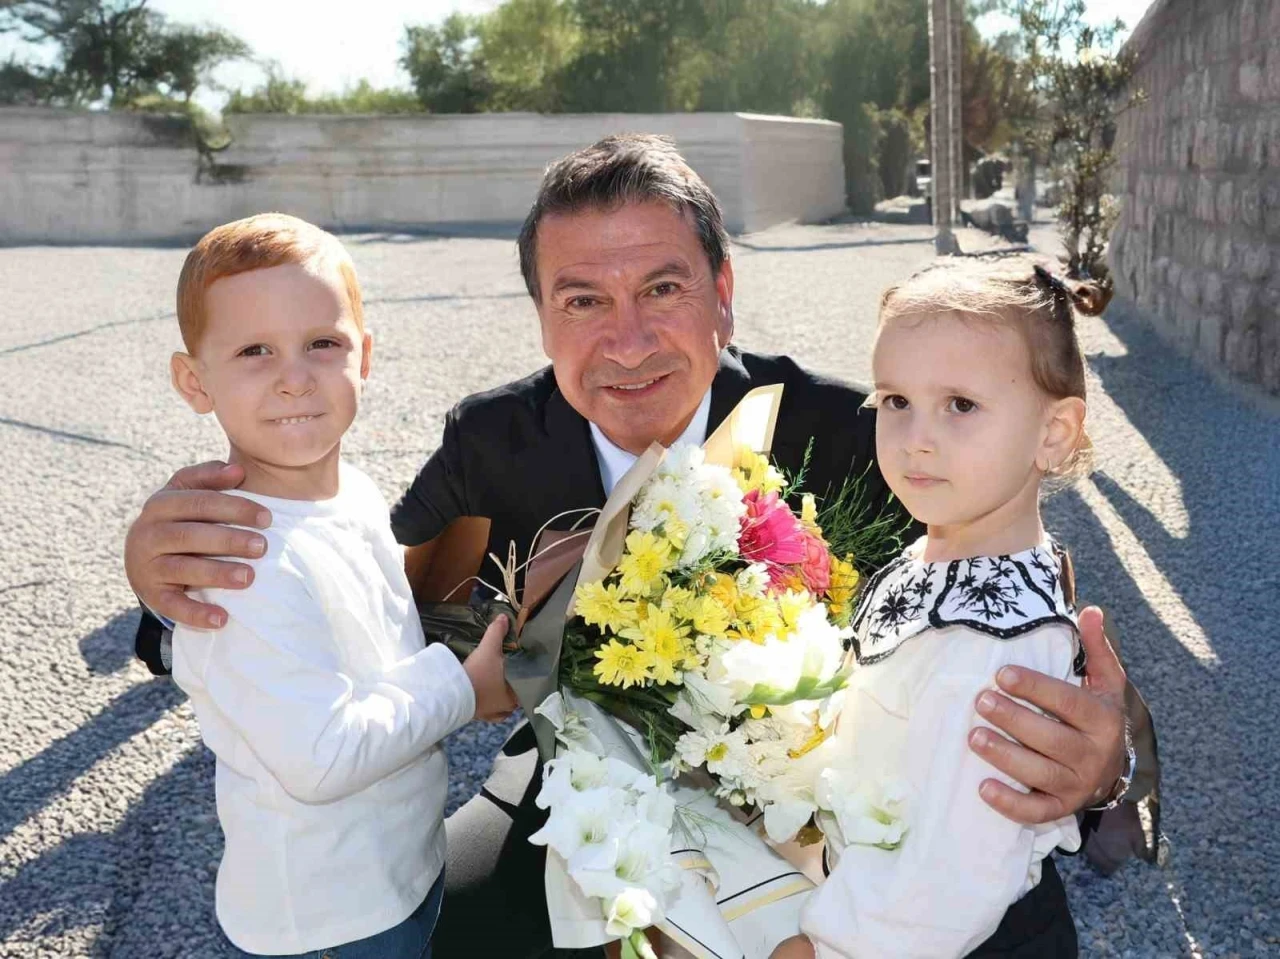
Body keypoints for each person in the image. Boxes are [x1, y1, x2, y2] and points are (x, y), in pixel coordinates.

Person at [124, 136, 1151, 959]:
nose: (626, 340)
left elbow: (1016, 617)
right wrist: (172, 587)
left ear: (723, 290)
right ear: (540, 316)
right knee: (462, 932)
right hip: (592, 802)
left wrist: (1112, 763)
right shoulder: (497, 447)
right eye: (582, 300)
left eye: (662, 289)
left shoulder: (868, 436)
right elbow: (384, 603)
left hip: (858, 837)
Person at [161, 213, 516, 958]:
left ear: (365, 356)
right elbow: (321, 756)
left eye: (322, 343)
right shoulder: (238, 563)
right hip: (328, 916)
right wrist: (461, 684)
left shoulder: (352, 488)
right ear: (195, 381)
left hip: (392, 863)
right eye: (254, 350)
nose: (294, 376)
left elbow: (378, 633)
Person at [771, 258, 1105, 959]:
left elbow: (946, 883)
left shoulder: (1000, 646)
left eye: (960, 405)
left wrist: (820, 948)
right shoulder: (935, 556)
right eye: (896, 400)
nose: (916, 437)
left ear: (1052, 433)